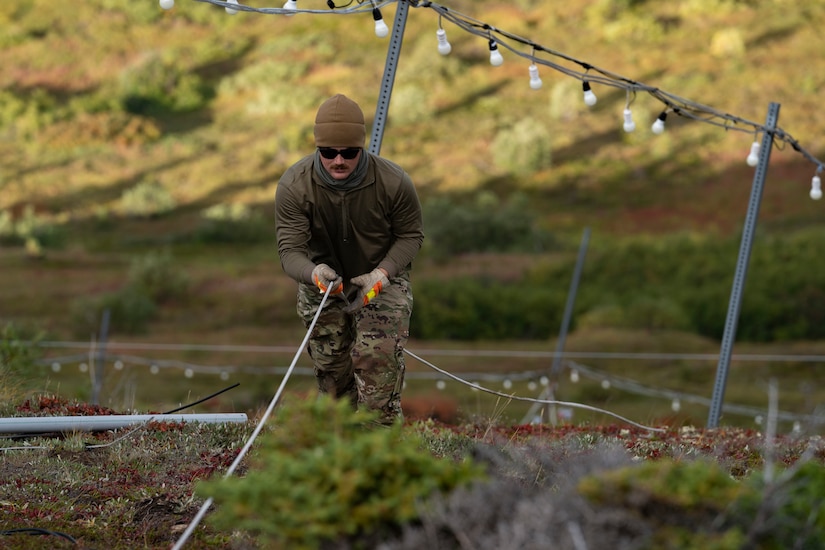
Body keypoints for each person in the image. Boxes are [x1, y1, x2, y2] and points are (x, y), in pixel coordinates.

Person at [275, 94, 424, 425]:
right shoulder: (294, 186)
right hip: (321, 283)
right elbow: (289, 251)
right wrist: (314, 273)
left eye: (348, 153)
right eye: (328, 153)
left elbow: (411, 236)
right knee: (332, 378)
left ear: (362, 147)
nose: (338, 160)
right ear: (317, 148)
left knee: (376, 366)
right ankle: (338, 453)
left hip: (382, 282)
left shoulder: (394, 182)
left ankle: (380, 450)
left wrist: (383, 273)